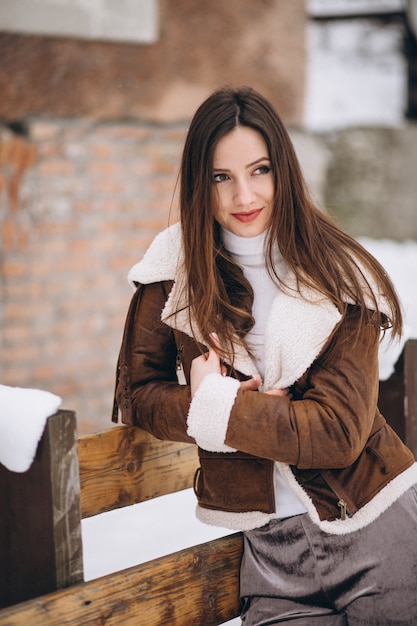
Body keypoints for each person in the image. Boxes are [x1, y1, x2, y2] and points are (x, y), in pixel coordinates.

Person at [113, 86, 417, 625]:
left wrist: (221, 407)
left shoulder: (341, 272)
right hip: (273, 553)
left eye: (260, 170)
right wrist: (227, 411)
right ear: (198, 184)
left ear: (285, 171)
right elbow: (137, 394)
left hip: (379, 528)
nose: (243, 196)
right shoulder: (171, 272)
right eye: (220, 177)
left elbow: (338, 433)